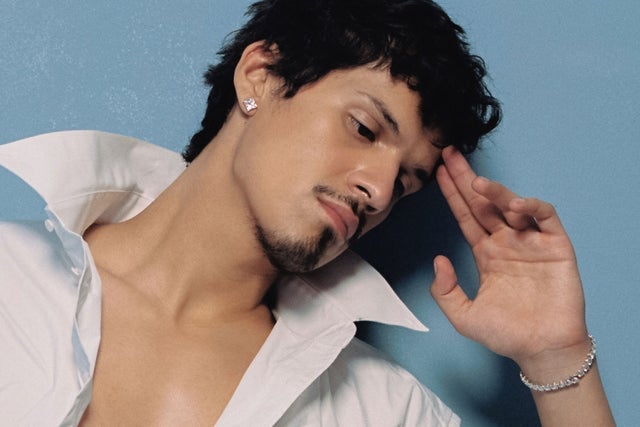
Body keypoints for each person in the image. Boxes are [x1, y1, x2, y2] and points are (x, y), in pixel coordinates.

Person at [0, 0, 614, 425]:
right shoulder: (11, 280)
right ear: (261, 77)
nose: (378, 191)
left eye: (406, 182)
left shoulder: (377, 409)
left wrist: (557, 358)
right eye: (363, 128)